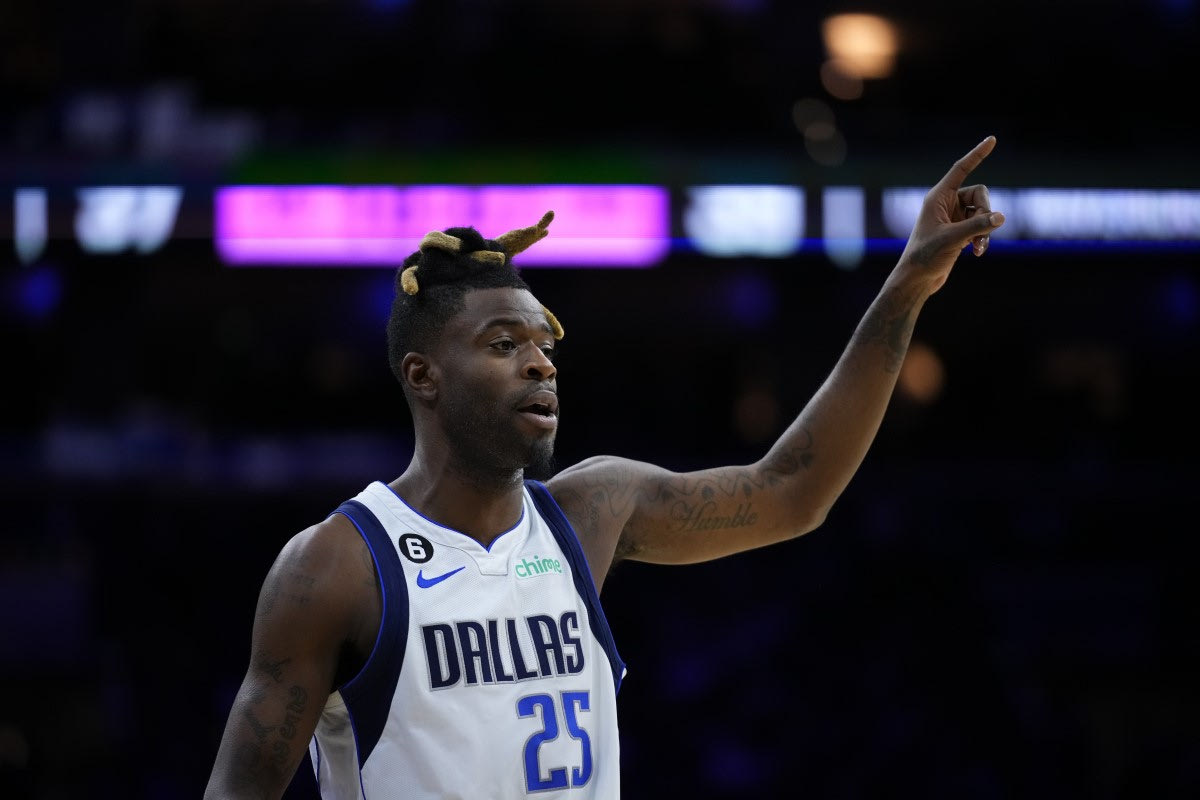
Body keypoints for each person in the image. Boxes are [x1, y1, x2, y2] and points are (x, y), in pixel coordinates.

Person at [203, 136, 1006, 799]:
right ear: (423, 376)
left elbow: (791, 491)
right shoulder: (335, 566)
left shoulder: (590, 511)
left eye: (544, 344)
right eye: (503, 344)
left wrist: (910, 283)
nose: (540, 363)